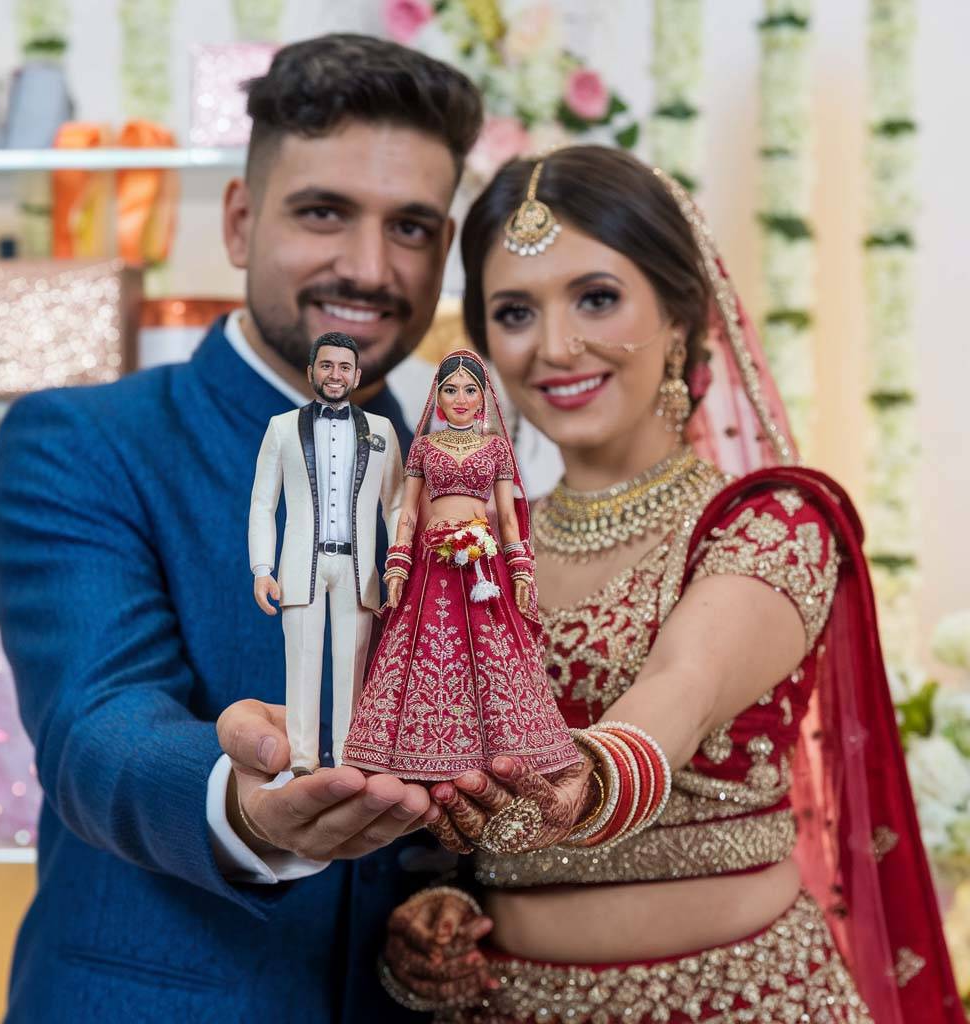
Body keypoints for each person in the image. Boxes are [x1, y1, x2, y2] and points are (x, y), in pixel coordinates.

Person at [221, 147, 964, 1022]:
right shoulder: (478, 547)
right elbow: (446, 781)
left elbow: (681, 688)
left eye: (597, 298)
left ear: (680, 315)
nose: (555, 345)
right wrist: (442, 900)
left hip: (744, 1000)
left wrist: (593, 775)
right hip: (505, 1005)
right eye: (514, 312)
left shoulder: (771, 521)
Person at [0, 34, 482, 1023]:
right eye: (324, 212)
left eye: (412, 227)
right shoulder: (83, 440)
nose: (369, 266)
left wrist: (454, 887)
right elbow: (100, 730)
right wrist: (243, 806)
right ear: (242, 222)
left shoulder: (457, 471)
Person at [341, 350, 580, 782]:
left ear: (484, 396)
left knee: (491, 653)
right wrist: (398, 562)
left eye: (471, 390)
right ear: (438, 396)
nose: (461, 399)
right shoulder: (424, 448)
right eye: (451, 390)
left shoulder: (496, 448)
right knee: (425, 651)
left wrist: (521, 569)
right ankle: (415, 748)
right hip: (432, 563)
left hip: (482, 567)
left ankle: (497, 747)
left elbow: (507, 517)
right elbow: (408, 513)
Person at [249, 331, 405, 775]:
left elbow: (394, 504)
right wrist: (262, 567)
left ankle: (349, 753)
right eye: (326, 365)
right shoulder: (281, 427)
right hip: (303, 563)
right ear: (311, 371)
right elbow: (263, 503)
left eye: (343, 367)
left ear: (356, 375)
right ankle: (302, 757)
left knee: (353, 661)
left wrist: (398, 563)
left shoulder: (381, 431)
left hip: (359, 567)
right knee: (301, 659)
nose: (334, 375)